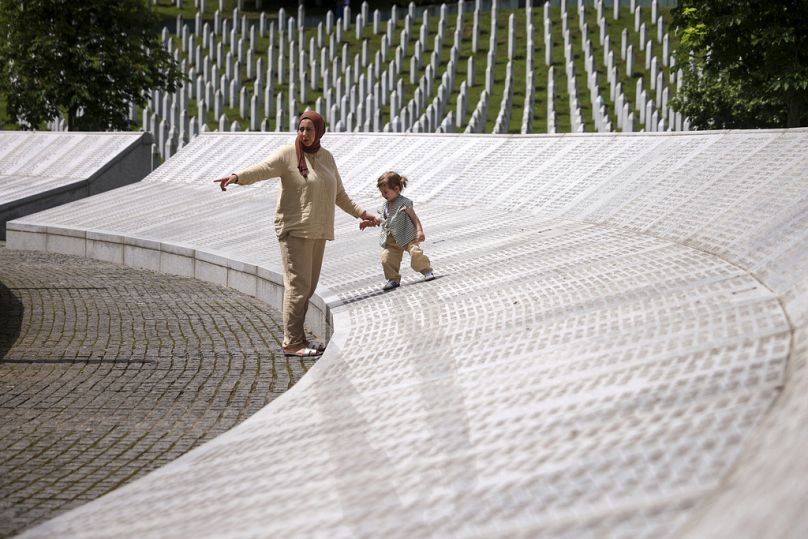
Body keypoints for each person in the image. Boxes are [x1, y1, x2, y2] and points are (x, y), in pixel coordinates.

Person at [214, 111, 379, 357]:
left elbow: (339, 195)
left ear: (319, 131)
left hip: (318, 230)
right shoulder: (287, 155)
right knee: (297, 286)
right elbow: (263, 169)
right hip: (294, 230)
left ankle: (299, 339)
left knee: (308, 287)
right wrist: (237, 177)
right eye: (301, 129)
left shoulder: (327, 158)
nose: (303, 134)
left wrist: (361, 213)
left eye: (309, 130)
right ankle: (292, 343)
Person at [360, 171, 435, 291]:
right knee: (386, 258)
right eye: (382, 193)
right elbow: (383, 220)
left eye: (386, 192)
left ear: (396, 189)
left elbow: (414, 218)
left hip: (408, 236)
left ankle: (427, 270)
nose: (384, 195)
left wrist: (419, 231)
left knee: (416, 254)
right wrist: (369, 223)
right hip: (392, 240)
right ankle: (393, 279)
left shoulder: (404, 203)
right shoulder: (385, 206)